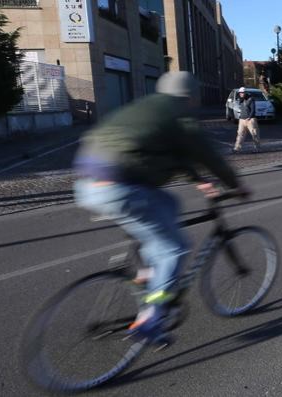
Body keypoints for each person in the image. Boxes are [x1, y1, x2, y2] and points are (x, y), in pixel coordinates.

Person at [72, 71, 247, 345]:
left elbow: (165, 151)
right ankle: (151, 320)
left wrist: (199, 180)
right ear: (190, 96)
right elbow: (207, 155)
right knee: (175, 248)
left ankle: (146, 272)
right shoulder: (178, 116)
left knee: (168, 205)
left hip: (87, 182)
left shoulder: (146, 107)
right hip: (121, 187)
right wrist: (236, 186)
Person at [233, 87, 261, 153]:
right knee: (240, 134)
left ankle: (257, 148)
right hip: (242, 119)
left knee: (254, 134)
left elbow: (253, 109)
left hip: (250, 120)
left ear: (245, 93)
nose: (241, 94)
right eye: (240, 93)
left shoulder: (250, 99)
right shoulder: (241, 99)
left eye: (242, 93)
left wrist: (249, 117)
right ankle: (237, 148)